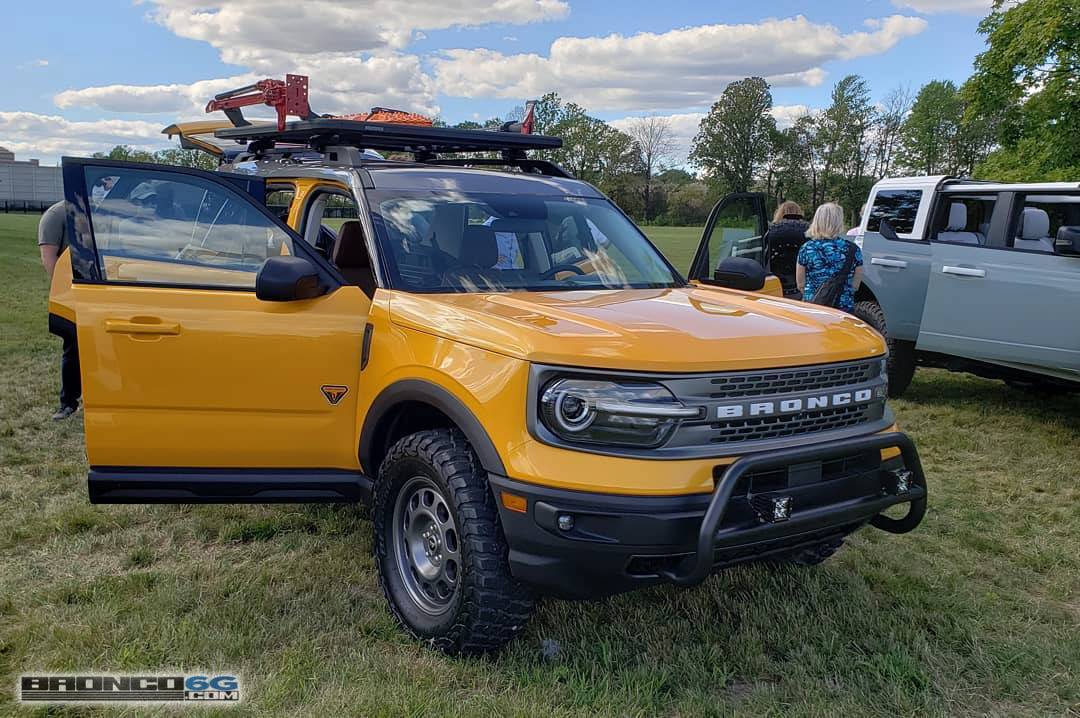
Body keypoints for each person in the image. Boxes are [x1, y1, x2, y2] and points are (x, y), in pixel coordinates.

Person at [38, 200, 81, 420]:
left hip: (97, 289)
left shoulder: (91, 212)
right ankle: (68, 403)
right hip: (71, 292)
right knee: (73, 348)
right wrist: (65, 292)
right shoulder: (55, 215)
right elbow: (49, 257)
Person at [796, 202, 863, 312]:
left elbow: (800, 284)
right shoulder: (853, 249)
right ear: (839, 222)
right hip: (842, 308)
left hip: (813, 306)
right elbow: (856, 285)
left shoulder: (807, 248)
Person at [762, 200, 809, 296]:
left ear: (779, 213)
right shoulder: (809, 233)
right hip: (803, 288)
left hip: (773, 285)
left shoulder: (770, 232)